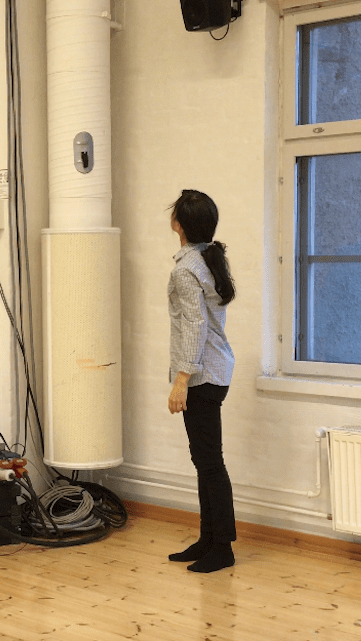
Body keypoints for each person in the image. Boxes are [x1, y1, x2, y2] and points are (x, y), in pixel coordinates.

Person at [165, 189, 237, 573]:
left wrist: (181, 382)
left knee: (209, 463)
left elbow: (194, 327)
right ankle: (208, 539)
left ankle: (222, 547)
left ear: (179, 224)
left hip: (202, 376)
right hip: (214, 371)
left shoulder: (186, 268)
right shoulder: (207, 258)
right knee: (205, 461)